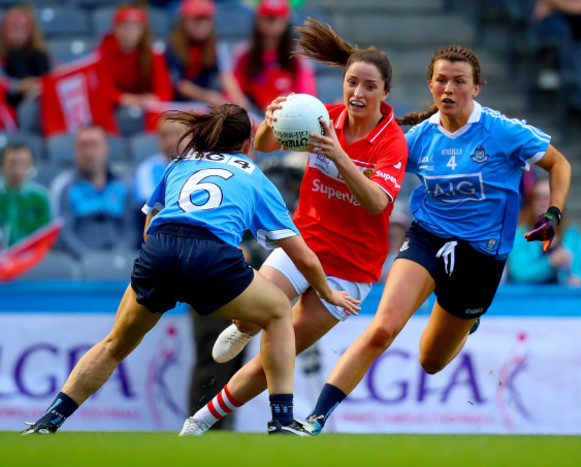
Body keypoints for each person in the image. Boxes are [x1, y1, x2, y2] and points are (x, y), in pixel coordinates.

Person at [21, 103, 358, 436]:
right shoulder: (253, 175)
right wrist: (328, 292)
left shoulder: (182, 163)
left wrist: (172, 267)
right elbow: (305, 257)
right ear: (247, 144)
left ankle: (48, 421)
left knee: (114, 344)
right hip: (211, 256)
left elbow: (149, 225)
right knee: (277, 313)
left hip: (160, 250)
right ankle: (282, 420)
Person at [302, 44, 572, 435]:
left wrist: (553, 214)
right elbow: (373, 173)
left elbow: (559, 163)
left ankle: (468, 320)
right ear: (430, 85)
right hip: (427, 239)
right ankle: (316, 418)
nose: (449, 89)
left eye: (459, 82)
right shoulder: (417, 138)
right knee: (381, 328)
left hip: (482, 257)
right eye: (441, 80)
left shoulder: (503, 132)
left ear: (476, 88)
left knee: (430, 361)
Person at [178, 18, 408, 436]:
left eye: (369, 87)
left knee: (274, 357)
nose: (358, 93)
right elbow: (264, 146)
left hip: (350, 269)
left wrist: (340, 157)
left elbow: (378, 202)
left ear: (385, 93)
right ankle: (243, 326)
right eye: (352, 82)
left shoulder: (391, 142)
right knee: (258, 317)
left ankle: (201, 420)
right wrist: (269, 120)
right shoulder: (321, 117)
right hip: (303, 246)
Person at [50, 125, 135, 259]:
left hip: (120, 260)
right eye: (83, 145)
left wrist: (119, 256)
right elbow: (65, 233)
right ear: (76, 150)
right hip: (81, 263)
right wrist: (89, 260)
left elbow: (131, 230)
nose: (89, 152)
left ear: (106, 149)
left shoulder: (124, 185)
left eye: (94, 145)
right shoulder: (65, 186)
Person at [508, 178, 581, 287]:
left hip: (566, 299)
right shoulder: (519, 236)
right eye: (538, 198)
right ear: (531, 204)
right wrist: (550, 263)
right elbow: (519, 274)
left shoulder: (573, 234)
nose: (543, 202)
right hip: (530, 300)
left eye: (548, 198)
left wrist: (579, 279)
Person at [232, 0, 316, 112]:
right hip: (253, 116)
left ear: (286, 22)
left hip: (289, 116)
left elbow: (307, 96)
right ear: (258, 20)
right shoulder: (243, 53)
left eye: (276, 18)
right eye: (267, 17)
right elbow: (233, 92)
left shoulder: (298, 57)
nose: (271, 23)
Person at [165, 0, 250, 109]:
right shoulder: (173, 45)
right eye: (197, 19)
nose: (202, 24)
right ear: (184, 21)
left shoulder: (215, 44)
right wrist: (208, 96)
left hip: (203, 105)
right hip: (177, 104)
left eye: (206, 19)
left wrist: (237, 96)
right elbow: (180, 85)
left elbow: (225, 75)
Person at [97, 3, 173, 111]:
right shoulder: (103, 51)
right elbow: (103, 90)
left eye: (135, 27)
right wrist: (130, 99)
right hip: (114, 109)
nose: (129, 32)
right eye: (125, 26)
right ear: (116, 28)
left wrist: (154, 98)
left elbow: (165, 90)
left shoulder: (153, 54)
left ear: (142, 31)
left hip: (146, 109)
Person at [0, 142, 51, 248]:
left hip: (31, 257)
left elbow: (46, 236)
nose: (17, 170)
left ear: (31, 165)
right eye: (12, 164)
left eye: (23, 164)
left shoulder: (41, 197)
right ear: (2, 165)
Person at [0, 3, 50, 109]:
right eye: (13, 27)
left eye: (22, 28)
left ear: (30, 31)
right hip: (12, 107)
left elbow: (49, 77)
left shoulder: (40, 56)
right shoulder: (5, 58)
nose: (17, 33)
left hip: (38, 99)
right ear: (4, 30)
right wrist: (20, 86)